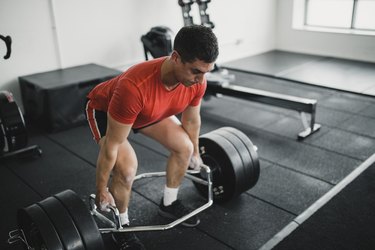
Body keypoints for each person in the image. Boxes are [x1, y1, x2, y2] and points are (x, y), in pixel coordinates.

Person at [85, 24, 218, 250]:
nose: (200, 79)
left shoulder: (198, 80)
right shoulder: (134, 87)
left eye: (206, 72)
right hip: (107, 112)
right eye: (196, 71)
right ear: (176, 57)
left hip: (148, 112)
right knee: (126, 169)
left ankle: (169, 202)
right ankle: (122, 227)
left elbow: (192, 121)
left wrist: (195, 151)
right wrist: (101, 189)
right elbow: (112, 147)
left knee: (184, 147)